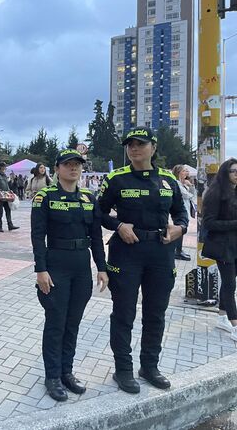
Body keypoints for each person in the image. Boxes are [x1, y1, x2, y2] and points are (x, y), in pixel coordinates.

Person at [98, 127, 188, 393]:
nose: (134, 149)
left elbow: (181, 213)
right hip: (126, 253)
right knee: (124, 313)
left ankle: (149, 366)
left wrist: (179, 228)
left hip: (160, 253)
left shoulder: (168, 180)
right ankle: (123, 370)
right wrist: (118, 225)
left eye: (140, 144)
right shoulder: (116, 179)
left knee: (155, 314)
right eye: (130, 145)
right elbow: (99, 213)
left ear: (153, 147)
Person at [31, 149, 108, 401]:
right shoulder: (45, 197)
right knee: (56, 322)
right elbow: (37, 236)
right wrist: (40, 269)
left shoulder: (89, 197)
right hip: (56, 265)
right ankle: (52, 376)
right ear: (57, 168)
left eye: (77, 164)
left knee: (73, 322)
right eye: (68, 164)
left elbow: (96, 236)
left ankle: (67, 372)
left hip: (81, 266)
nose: (73, 168)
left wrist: (102, 267)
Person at [201, 158, 237, 338]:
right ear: (225, 173)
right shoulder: (216, 193)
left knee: (229, 282)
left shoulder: (234, 192)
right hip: (222, 246)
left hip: (234, 244)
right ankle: (235, 324)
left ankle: (223, 316)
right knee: (230, 284)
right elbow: (209, 223)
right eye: (234, 171)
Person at [172, 164, 195, 261]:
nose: (187, 172)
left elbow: (191, 195)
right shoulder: (176, 183)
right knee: (180, 229)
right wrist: (190, 186)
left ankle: (179, 249)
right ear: (179, 173)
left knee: (182, 230)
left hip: (185, 208)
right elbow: (187, 195)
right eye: (184, 171)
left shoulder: (183, 184)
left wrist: (190, 186)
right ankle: (178, 251)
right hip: (181, 210)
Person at [0, 162, 19, 232]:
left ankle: (10, 225)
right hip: (0, 197)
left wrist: (10, 192)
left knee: (8, 211)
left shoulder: (4, 176)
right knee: (0, 213)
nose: (5, 168)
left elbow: (7, 186)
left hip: (6, 196)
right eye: (4, 167)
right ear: (0, 167)